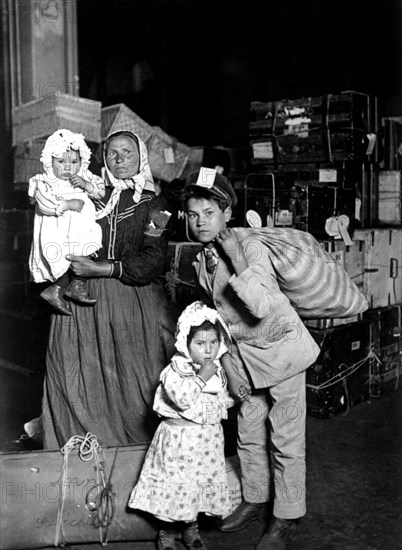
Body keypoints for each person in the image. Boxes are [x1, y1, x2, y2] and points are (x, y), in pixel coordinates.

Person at [180, 169, 321, 550]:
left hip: (282, 353)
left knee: (286, 438)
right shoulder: (201, 258)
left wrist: (237, 256)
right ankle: (256, 498)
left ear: (226, 211)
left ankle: (286, 517)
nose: (200, 222)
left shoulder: (250, 245)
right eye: (193, 215)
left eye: (208, 212)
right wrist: (227, 367)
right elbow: (219, 320)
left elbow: (259, 304)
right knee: (248, 432)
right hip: (244, 359)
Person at [41, 130, 173, 449]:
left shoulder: (157, 206)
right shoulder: (91, 195)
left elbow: (153, 260)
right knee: (74, 375)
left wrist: (102, 267)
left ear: (141, 157)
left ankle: (135, 459)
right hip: (82, 298)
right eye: (112, 153)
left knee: (132, 383)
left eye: (127, 152)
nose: (119, 159)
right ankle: (81, 454)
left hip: (129, 298)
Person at [128, 301, 234, 550]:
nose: (208, 350)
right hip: (179, 442)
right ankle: (167, 532)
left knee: (197, 486)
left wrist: (229, 399)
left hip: (205, 442)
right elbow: (183, 399)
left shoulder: (215, 370)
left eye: (213, 342)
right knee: (176, 488)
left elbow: (219, 401)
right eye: (200, 343)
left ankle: (191, 529)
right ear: (186, 343)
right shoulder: (175, 371)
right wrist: (200, 378)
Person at [28, 129, 106, 315]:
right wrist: (67, 204)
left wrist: (86, 185)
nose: (68, 168)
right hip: (59, 231)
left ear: (83, 161)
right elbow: (45, 205)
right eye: (61, 162)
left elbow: (101, 192)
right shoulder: (45, 182)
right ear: (50, 161)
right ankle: (56, 288)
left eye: (74, 162)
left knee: (88, 251)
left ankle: (76, 286)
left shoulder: (84, 176)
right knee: (64, 259)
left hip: (82, 229)